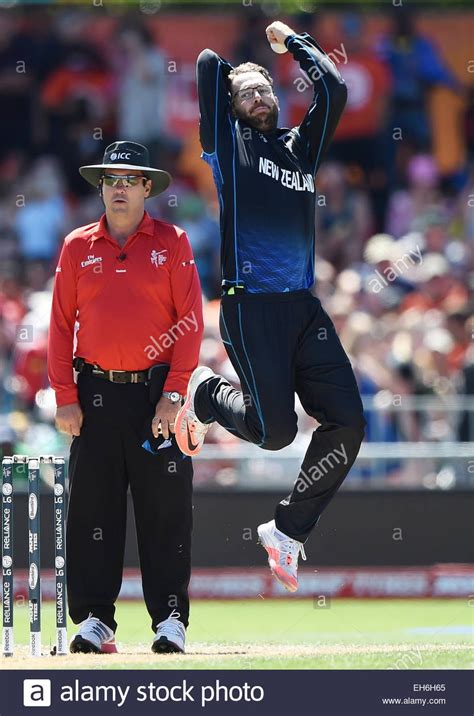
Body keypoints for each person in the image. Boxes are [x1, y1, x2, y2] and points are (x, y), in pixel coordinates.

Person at [175, 21, 366, 592]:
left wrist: (293, 43)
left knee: (348, 424)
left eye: (266, 90)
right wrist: (240, 69)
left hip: (303, 310)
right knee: (276, 432)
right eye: (247, 92)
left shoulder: (300, 148)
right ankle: (207, 393)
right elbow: (208, 60)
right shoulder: (226, 149)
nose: (260, 97)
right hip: (249, 305)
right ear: (230, 106)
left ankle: (287, 531)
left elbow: (334, 89)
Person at [48, 141, 203, 653]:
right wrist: (65, 395)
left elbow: (190, 323)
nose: (119, 187)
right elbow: (59, 326)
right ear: (102, 187)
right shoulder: (76, 246)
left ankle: (170, 620)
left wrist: (175, 395)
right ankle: (96, 620)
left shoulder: (173, 240)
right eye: (110, 178)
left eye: (129, 179)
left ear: (146, 188)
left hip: (157, 394)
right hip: (93, 393)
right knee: (93, 510)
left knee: (166, 510)